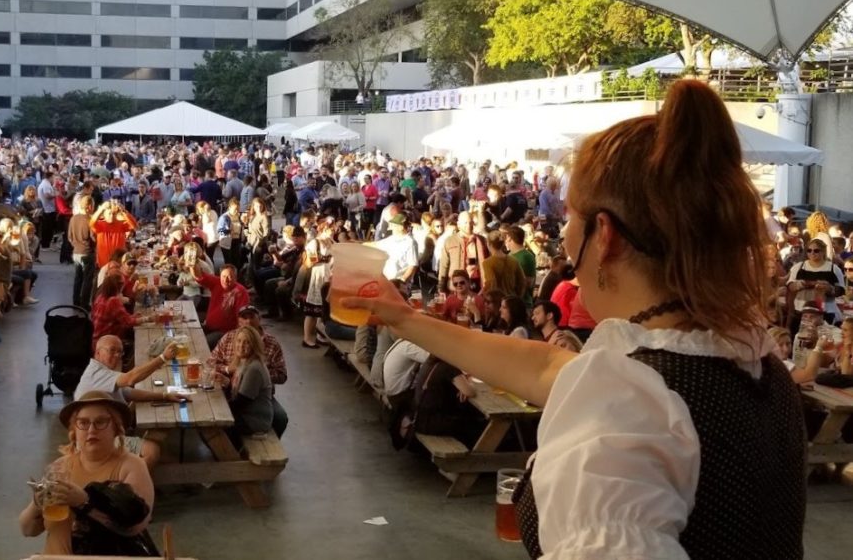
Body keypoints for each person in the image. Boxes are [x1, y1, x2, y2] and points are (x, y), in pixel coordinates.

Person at [343, 80, 806, 558]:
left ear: (604, 235)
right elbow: (546, 369)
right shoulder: (751, 361)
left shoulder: (627, 403)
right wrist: (403, 318)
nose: (564, 235)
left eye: (571, 217)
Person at [19, 391, 158, 556]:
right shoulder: (60, 467)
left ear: (116, 427)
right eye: (83, 423)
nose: (91, 430)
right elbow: (28, 530)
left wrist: (84, 503)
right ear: (74, 430)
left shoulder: (132, 466)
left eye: (100, 422)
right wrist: (37, 502)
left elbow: (133, 528)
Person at [72, 334, 184, 467]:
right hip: (96, 438)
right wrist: (163, 357)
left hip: (105, 431)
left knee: (161, 451)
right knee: (152, 451)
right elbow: (131, 378)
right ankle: (124, 483)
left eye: (120, 351)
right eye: (112, 350)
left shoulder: (104, 373)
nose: (117, 355)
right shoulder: (97, 374)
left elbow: (129, 393)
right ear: (97, 353)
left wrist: (164, 396)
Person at [209, 306, 289, 438]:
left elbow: (241, 403)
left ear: (259, 319)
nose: (248, 321)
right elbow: (210, 362)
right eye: (244, 318)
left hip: (254, 405)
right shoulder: (236, 349)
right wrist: (228, 374)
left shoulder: (257, 363)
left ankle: (262, 450)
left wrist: (261, 380)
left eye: (252, 317)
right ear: (238, 320)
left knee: (280, 418)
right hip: (238, 392)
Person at [225, 326, 274, 439]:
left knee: (216, 429)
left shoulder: (254, 368)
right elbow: (236, 393)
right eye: (239, 341)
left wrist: (219, 410)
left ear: (254, 345)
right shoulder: (243, 362)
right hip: (246, 415)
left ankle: (233, 455)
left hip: (254, 421)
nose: (241, 346)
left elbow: (240, 403)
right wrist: (227, 383)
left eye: (247, 342)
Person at [192, 264, 250, 349]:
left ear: (236, 278)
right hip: (209, 326)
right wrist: (191, 263)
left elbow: (243, 317)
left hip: (224, 332)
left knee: (201, 345)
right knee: (190, 336)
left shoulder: (240, 292)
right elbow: (199, 276)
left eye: (229, 277)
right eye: (223, 276)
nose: (226, 280)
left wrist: (237, 339)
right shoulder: (217, 282)